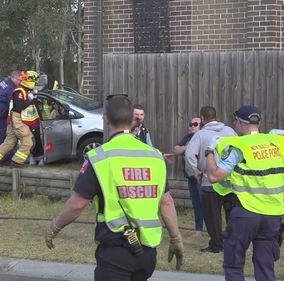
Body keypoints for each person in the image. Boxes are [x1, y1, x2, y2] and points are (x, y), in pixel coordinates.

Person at [45, 95, 184, 281]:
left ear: (106, 119)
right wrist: (176, 239)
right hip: (147, 254)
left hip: (116, 252)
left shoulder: (100, 157)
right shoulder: (155, 157)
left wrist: (55, 226)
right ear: (132, 119)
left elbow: (78, 204)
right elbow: (166, 202)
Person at [205, 105, 283, 281]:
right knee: (265, 264)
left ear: (240, 124)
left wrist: (209, 152)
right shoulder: (276, 143)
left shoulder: (239, 147)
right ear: (259, 123)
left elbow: (214, 176)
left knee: (234, 263)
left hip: (246, 213)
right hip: (272, 215)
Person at [185, 106, 237, 253]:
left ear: (202, 119)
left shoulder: (200, 135)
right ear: (216, 116)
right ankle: (233, 242)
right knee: (232, 214)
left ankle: (216, 244)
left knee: (212, 216)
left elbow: (189, 155)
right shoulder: (230, 132)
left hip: (210, 181)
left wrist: (196, 172)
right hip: (229, 180)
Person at [0, 71, 39, 168]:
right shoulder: (19, 91)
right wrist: (30, 99)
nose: (20, 81)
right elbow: (18, 107)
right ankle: (17, 162)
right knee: (28, 141)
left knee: (9, 142)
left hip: (12, 120)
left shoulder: (15, 87)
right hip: (15, 121)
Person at [173, 116, 203, 236]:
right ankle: (198, 230)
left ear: (202, 125)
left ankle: (213, 231)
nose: (192, 126)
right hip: (190, 176)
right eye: (191, 124)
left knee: (204, 203)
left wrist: (186, 148)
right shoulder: (187, 137)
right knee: (196, 204)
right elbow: (176, 149)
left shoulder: (203, 137)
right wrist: (188, 146)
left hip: (201, 176)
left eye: (195, 124)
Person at [0, 71, 22, 150]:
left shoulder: (4, 83)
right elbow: (14, 102)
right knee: (1, 137)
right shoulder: (11, 87)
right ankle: (2, 158)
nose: (20, 82)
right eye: (19, 80)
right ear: (14, 78)